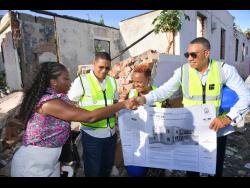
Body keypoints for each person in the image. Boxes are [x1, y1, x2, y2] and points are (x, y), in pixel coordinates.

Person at [132, 37, 250, 177]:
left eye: (194, 54)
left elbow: (246, 96)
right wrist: (144, 98)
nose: (189, 58)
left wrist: (228, 118)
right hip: (191, 132)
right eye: (187, 55)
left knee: (214, 170)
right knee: (191, 170)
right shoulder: (183, 72)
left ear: (206, 53)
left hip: (216, 131)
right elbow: (164, 91)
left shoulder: (224, 70)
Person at [5, 61, 135, 177]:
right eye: (66, 78)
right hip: (32, 165)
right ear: (53, 81)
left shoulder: (57, 98)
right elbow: (90, 117)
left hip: (51, 163)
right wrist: (122, 104)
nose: (70, 82)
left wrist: (11, 125)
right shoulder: (49, 103)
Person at [67, 52, 120, 177]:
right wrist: (81, 116)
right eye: (100, 67)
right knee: (93, 170)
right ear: (94, 64)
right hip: (92, 135)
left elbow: (115, 102)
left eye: (107, 68)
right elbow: (69, 102)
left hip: (110, 134)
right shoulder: (82, 81)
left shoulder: (112, 81)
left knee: (107, 167)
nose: (104, 71)